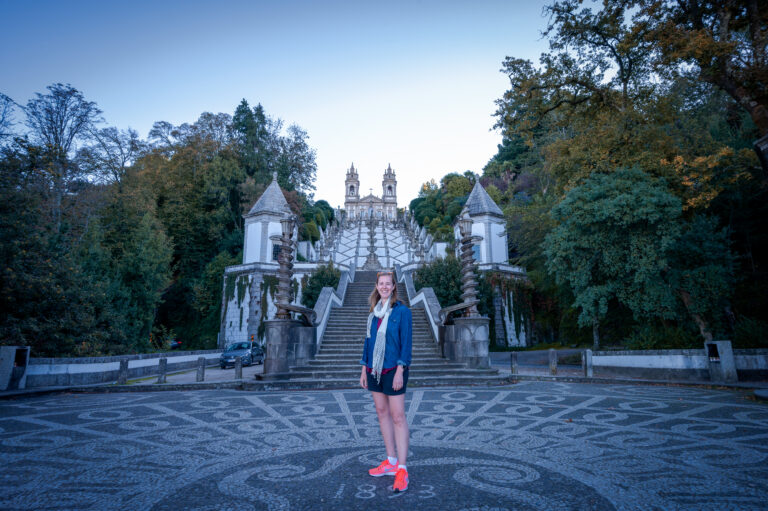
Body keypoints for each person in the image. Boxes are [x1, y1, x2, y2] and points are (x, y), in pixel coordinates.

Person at [359, 270, 412, 493]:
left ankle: (402, 468)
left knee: (398, 416)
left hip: (393, 368)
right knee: (382, 413)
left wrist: (400, 369)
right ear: (377, 286)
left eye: (388, 284)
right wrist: (364, 368)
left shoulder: (402, 312)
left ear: (393, 287)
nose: (384, 287)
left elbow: (406, 343)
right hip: (374, 369)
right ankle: (390, 461)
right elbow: (368, 342)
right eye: (381, 284)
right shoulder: (373, 313)